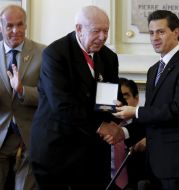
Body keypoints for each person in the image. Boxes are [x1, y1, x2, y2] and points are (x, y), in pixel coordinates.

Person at [100, 10, 179, 190]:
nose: (155, 37)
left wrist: (135, 111)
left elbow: (177, 110)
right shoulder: (154, 70)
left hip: (178, 164)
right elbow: (151, 115)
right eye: (151, 32)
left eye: (161, 32)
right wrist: (122, 133)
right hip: (155, 164)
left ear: (176, 32)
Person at [30, 5, 124, 190]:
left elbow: (112, 97)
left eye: (106, 31)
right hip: (58, 151)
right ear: (79, 29)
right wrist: (101, 126)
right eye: (96, 31)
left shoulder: (108, 57)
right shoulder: (55, 54)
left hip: (93, 153)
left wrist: (118, 116)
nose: (103, 37)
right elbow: (63, 105)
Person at [0, 5, 45, 190]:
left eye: (20, 25)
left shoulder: (43, 53)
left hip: (29, 136)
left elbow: (48, 96)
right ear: (0, 26)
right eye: (9, 26)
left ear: (26, 26)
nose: (15, 31)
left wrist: (21, 90)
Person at [119, 78, 147, 190]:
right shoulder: (102, 126)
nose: (120, 102)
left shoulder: (148, 125)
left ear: (136, 98)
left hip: (136, 183)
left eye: (125, 97)